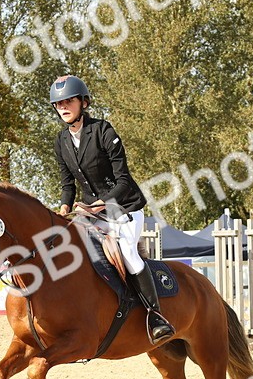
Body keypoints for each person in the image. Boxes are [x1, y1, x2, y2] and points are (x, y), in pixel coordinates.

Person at [50, 74, 173, 342]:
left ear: (83, 102)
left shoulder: (104, 131)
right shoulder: (61, 141)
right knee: (67, 247)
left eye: (69, 101)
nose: (63, 107)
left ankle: (155, 315)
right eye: (59, 104)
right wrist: (62, 210)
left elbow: (124, 180)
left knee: (127, 252)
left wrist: (101, 204)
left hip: (123, 207)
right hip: (88, 212)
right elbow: (67, 185)